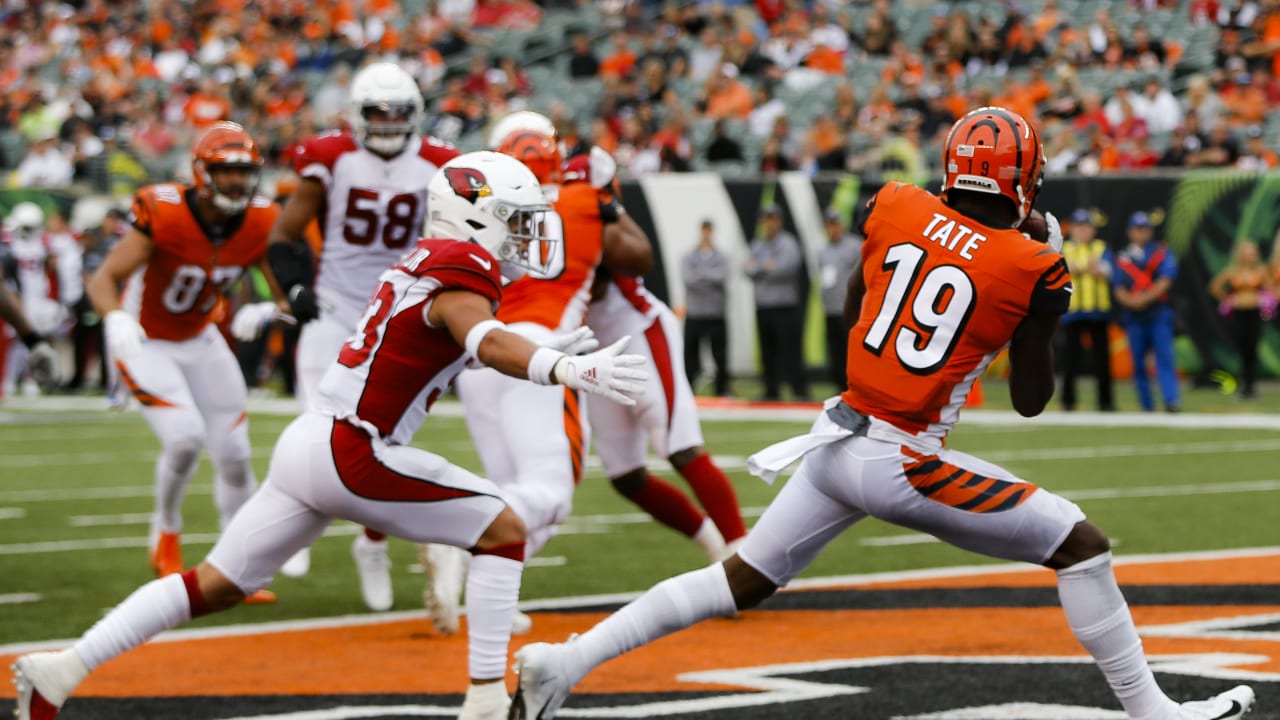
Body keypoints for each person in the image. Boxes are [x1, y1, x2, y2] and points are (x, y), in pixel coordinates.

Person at [507, 107, 1256, 720]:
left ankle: (562, 662)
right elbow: (1031, 400)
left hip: (838, 434)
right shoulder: (1034, 266)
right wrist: (1041, 297)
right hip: (901, 457)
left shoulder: (893, 206)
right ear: (1023, 179)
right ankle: (1152, 711)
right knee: (1082, 546)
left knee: (741, 579)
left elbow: (859, 310)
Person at [10, 151, 649, 720]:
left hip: (310, 443)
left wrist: (538, 347)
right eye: (514, 217)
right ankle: (485, 702)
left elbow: (443, 344)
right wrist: (558, 366)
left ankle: (61, 669)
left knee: (214, 585)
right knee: (504, 530)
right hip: (355, 450)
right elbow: (478, 336)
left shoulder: (430, 260)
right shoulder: (463, 263)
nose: (524, 232)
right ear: (475, 215)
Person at [417, 117, 655, 720]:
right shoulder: (577, 197)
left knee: (507, 484)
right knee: (549, 488)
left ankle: (485, 572)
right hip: (537, 350)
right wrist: (608, 197)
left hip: (479, 350)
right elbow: (638, 258)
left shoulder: (483, 206)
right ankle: (464, 549)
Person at [254, 61, 460, 609]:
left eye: (399, 112)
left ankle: (372, 545)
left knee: (381, 444)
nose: (389, 122)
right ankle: (290, 536)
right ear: (357, 115)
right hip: (337, 307)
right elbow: (283, 235)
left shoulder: (439, 163)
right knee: (312, 428)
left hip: (399, 313)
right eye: (378, 112)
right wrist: (295, 290)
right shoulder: (331, 158)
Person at [81, 122, 285, 601]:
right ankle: (165, 533)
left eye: (244, 171)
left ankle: (238, 565)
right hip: (146, 339)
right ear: (200, 171)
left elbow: (290, 294)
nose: (237, 181)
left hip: (201, 338)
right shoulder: (165, 213)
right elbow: (103, 279)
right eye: (226, 171)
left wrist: (268, 308)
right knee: (186, 437)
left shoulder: (261, 220)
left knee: (235, 453)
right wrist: (113, 318)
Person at [1111, 211, 1180, 412]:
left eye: (1145, 229)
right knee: (1138, 362)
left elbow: (1165, 280)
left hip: (1158, 312)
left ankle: (1171, 400)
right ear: (1130, 232)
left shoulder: (1161, 252)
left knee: (1164, 358)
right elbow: (1118, 287)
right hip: (1134, 316)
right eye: (1137, 229)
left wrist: (1144, 298)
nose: (1141, 233)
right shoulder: (1122, 257)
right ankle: (1146, 404)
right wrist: (1131, 302)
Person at [744, 204, 808, 401]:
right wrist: (767, 267)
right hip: (764, 306)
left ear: (779, 220)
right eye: (765, 219)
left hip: (784, 305)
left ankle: (798, 390)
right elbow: (746, 269)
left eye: (772, 218)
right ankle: (771, 390)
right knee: (767, 352)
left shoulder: (788, 243)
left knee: (789, 349)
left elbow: (787, 268)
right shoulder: (757, 244)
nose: (769, 223)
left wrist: (760, 268)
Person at [1059, 207, 1114, 411]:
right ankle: (1068, 401)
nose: (1083, 232)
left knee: (1102, 361)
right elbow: (1060, 269)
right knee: (1070, 360)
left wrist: (1092, 269)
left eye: (1087, 227)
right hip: (1073, 312)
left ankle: (1106, 402)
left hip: (1098, 311)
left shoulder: (1101, 247)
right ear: (1072, 229)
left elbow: (1108, 271)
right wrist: (1088, 269)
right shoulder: (1064, 248)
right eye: (1079, 227)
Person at [1208, 239, 1274, 400]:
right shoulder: (1232, 272)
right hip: (1238, 315)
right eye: (1249, 253)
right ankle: (1243, 385)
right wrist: (1228, 300)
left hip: (1255, 314)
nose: (1252, 256)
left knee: (1252, 349)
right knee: (1242, 349)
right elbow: (1214, 287)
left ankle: (1251, 386)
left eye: (1254, 253)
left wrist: (1266, 301)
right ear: (1241, 255)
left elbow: (1273, 288)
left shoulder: (1261, 271)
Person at [681, 218, 730, 397]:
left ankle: (722, 389)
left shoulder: (721, 256)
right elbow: (688, 279)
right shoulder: (689, 256)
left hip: (715, 313)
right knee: (691, 354)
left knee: (719, 354)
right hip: (695, 312)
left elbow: (722, 277)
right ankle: (688, 388)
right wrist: (710, 276)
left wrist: (700, 274)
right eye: (704, 230)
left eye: (709, 230)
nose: (706, 233)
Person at [816, 206, 862, 390]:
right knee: (835, 351)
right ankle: (839, 386)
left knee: (850, 350)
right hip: (831, 307)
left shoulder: (854, 246)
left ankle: (854, 386)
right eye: (829, 225)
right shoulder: (824, 250)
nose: (833, 228)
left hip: (850, 308)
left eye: (835, 224)